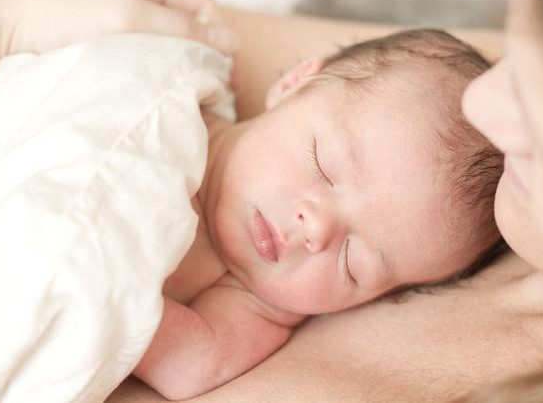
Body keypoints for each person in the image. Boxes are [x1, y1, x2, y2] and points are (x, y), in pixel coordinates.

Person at [0, 0, 543, 402]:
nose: (486, 105)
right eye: (521, 44)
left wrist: (105, 275)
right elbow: (44, 21)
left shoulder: (254, 308)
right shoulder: (449, 100)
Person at [135, 28, 502, 400]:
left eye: (353, 263)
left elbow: (190, 366)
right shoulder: (174, 91)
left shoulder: (253, 305)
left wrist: (113, 290)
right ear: (294, 84)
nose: (316, 228)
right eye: (322, 167)